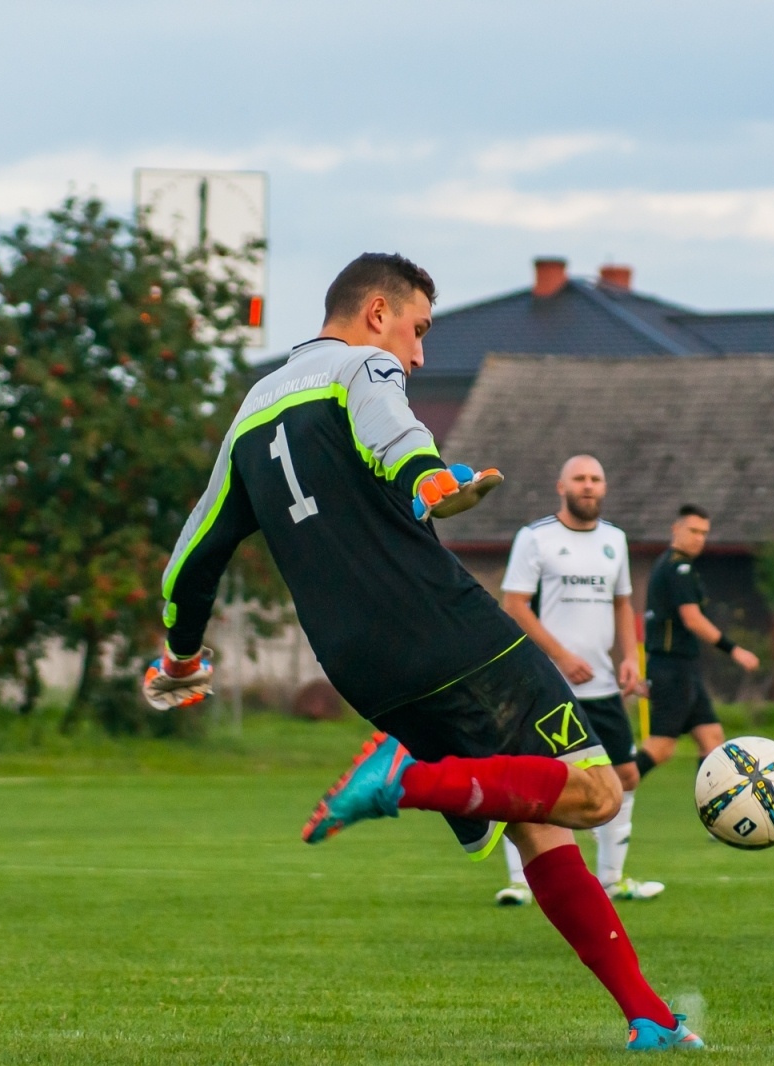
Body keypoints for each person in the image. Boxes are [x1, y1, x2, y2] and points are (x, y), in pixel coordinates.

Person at [144, 253, 701, 1051]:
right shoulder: (361, 364)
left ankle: (647, 1017)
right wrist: (430, 478)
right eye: (418, 330)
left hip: (358, 666)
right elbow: (393, 434)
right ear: (377, 312)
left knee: (536, 817)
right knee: (600, 793)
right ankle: (405, 781)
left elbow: (189, 561)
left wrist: (184, 658)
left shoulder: (248, 416)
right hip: (443, 632)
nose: (417, 355)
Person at [494, 455, 662, 907]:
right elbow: (515, 606)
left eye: (595, 479)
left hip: (603, 685)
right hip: (549, 684)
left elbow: (622, 604)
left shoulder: (615, 541)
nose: (588, 486)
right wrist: (561, 656)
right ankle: (518, 881)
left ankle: (612, 879)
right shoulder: (536, 539)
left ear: (604, 488)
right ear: (561, 486)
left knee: (625, 776)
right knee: (531, 778)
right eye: (580, 479)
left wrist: (630, 658)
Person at [635, 506, 759, 781]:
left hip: (683, 668)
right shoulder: (677, 568)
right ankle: (606, 789)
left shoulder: (673, 565)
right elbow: (692, 619)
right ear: (675, 529)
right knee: (661, 748)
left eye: (704, 533)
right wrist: (734, 650)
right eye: (693, 531)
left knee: (712, 740)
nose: (699, 538)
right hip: (672, 668)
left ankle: (712, 812)